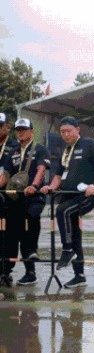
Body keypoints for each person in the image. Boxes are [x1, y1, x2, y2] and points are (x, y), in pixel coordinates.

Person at [40, 116, 94, 288]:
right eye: (62, 131)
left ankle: (66, 249)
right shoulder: (64, 148)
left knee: (62, 211)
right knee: (74, 233)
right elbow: (57, 174)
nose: (65, 134)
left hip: (85, 196)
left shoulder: (89, 144)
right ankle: (79, 275)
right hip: (67, 195)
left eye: (68, 131)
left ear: (78, 129)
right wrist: (50, 187)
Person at [0, 118, 50, 286]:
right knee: (11, 234)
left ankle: (31, 259)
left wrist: (34, 186)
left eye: (24, 129)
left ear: (31, 131)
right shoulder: (13, 151)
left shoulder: (40, 149)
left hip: (33, 196)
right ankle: (6, 271)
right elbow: (6, 175)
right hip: (15, 198)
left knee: (32, 215)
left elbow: (41, 169)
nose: (20, 132)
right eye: (18, 130)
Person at [0, 113, 20, 287]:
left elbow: (8, 173)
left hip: (9, 196)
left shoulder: (14, 146)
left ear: (7, 127)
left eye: (1, 126)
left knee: (9, 235)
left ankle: (6, 270)